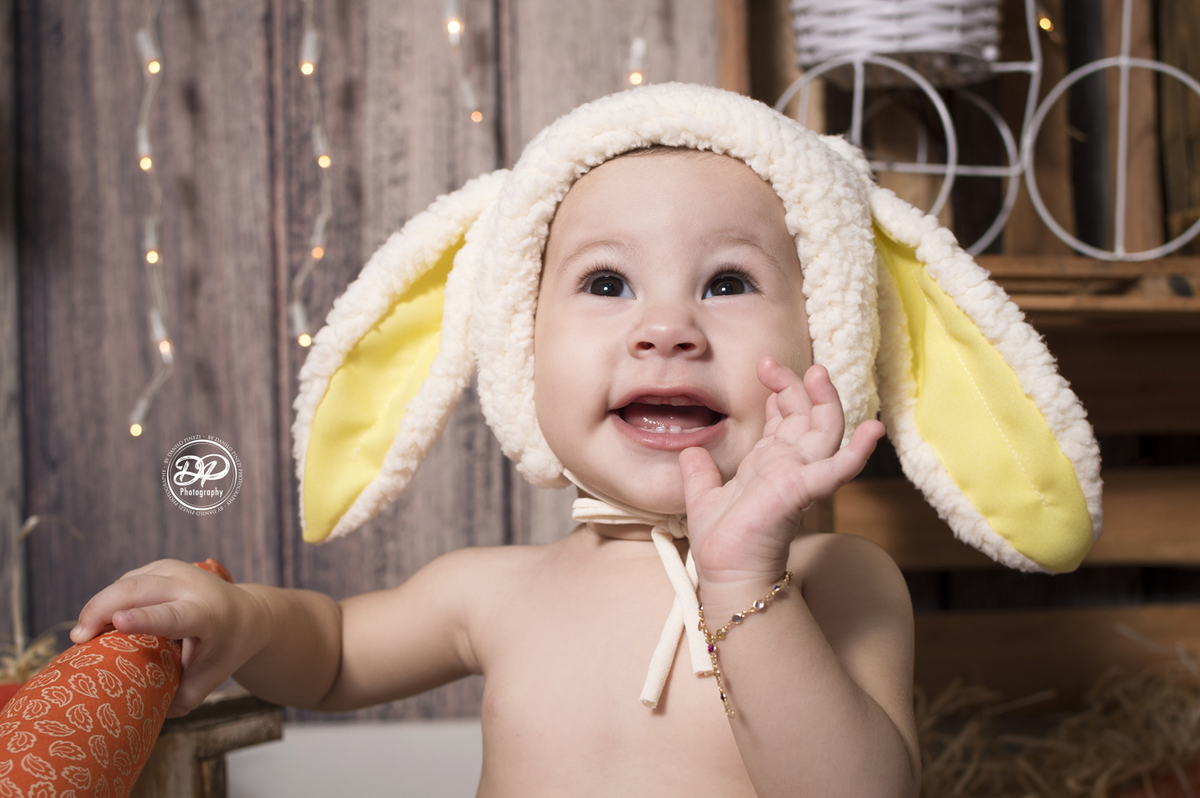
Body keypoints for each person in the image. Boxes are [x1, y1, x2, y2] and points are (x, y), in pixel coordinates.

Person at [71, 84, 1101, 798]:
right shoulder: (496, 591)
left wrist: (741, 577)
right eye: (607, 283)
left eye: (728, 282)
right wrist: (244, 618)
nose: (667, 328)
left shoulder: (840, 581)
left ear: (828, 335)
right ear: (520, 345)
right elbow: (333, 657)